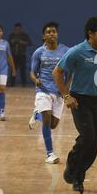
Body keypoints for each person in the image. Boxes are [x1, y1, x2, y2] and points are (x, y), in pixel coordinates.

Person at [53, 17, 97, 193]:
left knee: (93, 142)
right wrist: (66, 96)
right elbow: (57, 73)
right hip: (80, 100)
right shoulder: (77, 51)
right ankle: (75, 175)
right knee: (87, 137)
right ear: (91, 33)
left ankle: (78, 171)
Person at [28, 22, 70, 164]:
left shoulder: (65, 51)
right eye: (48, 32)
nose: (52, 34)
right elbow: (32, 72)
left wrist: (66, 88)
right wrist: (36, 80)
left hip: (58, 92)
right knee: (47, 118)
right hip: (43, 90)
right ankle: (50, 154)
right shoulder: (39, 52)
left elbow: (70, 72)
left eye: (54, 31)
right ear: (43, 36)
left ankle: (37, 114)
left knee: (53, 124)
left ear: (57, 34)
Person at [8, 23, 32, 87]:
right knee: (13, 69)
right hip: (13, 55)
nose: (18, 30)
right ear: (14, 29)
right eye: (16, 29)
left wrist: (21, 42)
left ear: (21, 29)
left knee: (22, 70)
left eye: (19, 29)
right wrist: (12, 42)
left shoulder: (24, 35)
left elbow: (30, 43)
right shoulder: (12, 35)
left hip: (22, 55)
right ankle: (12, 84)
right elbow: (8, 43)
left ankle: (23, 84)